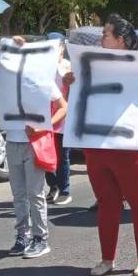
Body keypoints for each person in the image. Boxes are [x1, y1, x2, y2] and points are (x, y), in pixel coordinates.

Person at [64, 15, 138, 276]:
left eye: (106, 35)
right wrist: (71, 84)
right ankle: (107, 258)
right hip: (100, 146)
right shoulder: (91, 66)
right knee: (107, 202)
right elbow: (82, 103)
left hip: (137, 147)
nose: (101, 39)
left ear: (120, 40)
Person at [0, 36, 68, 258]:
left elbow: (62, 107)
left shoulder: (41, 80)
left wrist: (43, 128)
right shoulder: (6, 78)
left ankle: (42, 238)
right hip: (12, 141)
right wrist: (5, 44)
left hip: (33, 144)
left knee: (35, 193)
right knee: (18, 193)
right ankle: (23, 235)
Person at [44, 47, 74, 206]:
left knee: (62, 156)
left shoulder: (67, 66)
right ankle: (53, 187)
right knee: (47, 154)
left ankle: (64, 190)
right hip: (47, 116)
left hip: (63, 117)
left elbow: (72, 88)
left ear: (62, 49)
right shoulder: (44, 67)